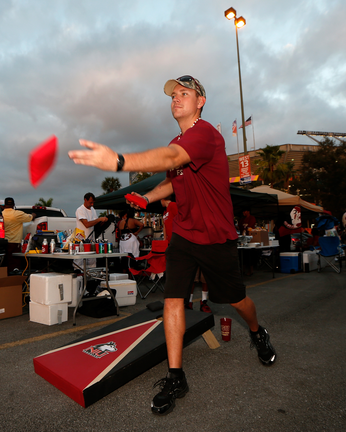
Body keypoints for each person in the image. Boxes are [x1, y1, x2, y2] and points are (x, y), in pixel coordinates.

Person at [68, 74, 276, 415]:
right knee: (173, 301)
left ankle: (257, 332)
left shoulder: (205, 135)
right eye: (173, 95)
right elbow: (172, 181)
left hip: (215, 237)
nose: (176, 99)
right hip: (183, 234)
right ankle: (176, 376)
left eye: (184, 93)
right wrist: (146, 197)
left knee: (237, 301)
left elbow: (168, 159)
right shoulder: (179, 140)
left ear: (200, 101)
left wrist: (119, 162)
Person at [161, 196, 211, 312]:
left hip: (195, 243)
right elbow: (166, 227)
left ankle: (203, 301)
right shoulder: (165, 211)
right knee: (190, 277)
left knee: (203, 276)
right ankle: (188, 301)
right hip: (177, 245)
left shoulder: (173, 205)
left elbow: (184, 220)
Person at [75, 192, 108, 268]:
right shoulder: (80, 210)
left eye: (93, 202)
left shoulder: (93, 209)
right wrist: (99, 219)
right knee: (80, 262)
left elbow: (95, 223)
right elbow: (87, 224)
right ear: (85, 200)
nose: (92, 204)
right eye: (90, 202)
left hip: (91, 239)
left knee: (91, 261)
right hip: (81, 240)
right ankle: (80, 277)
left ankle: (91, 278)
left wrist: (103, 221)